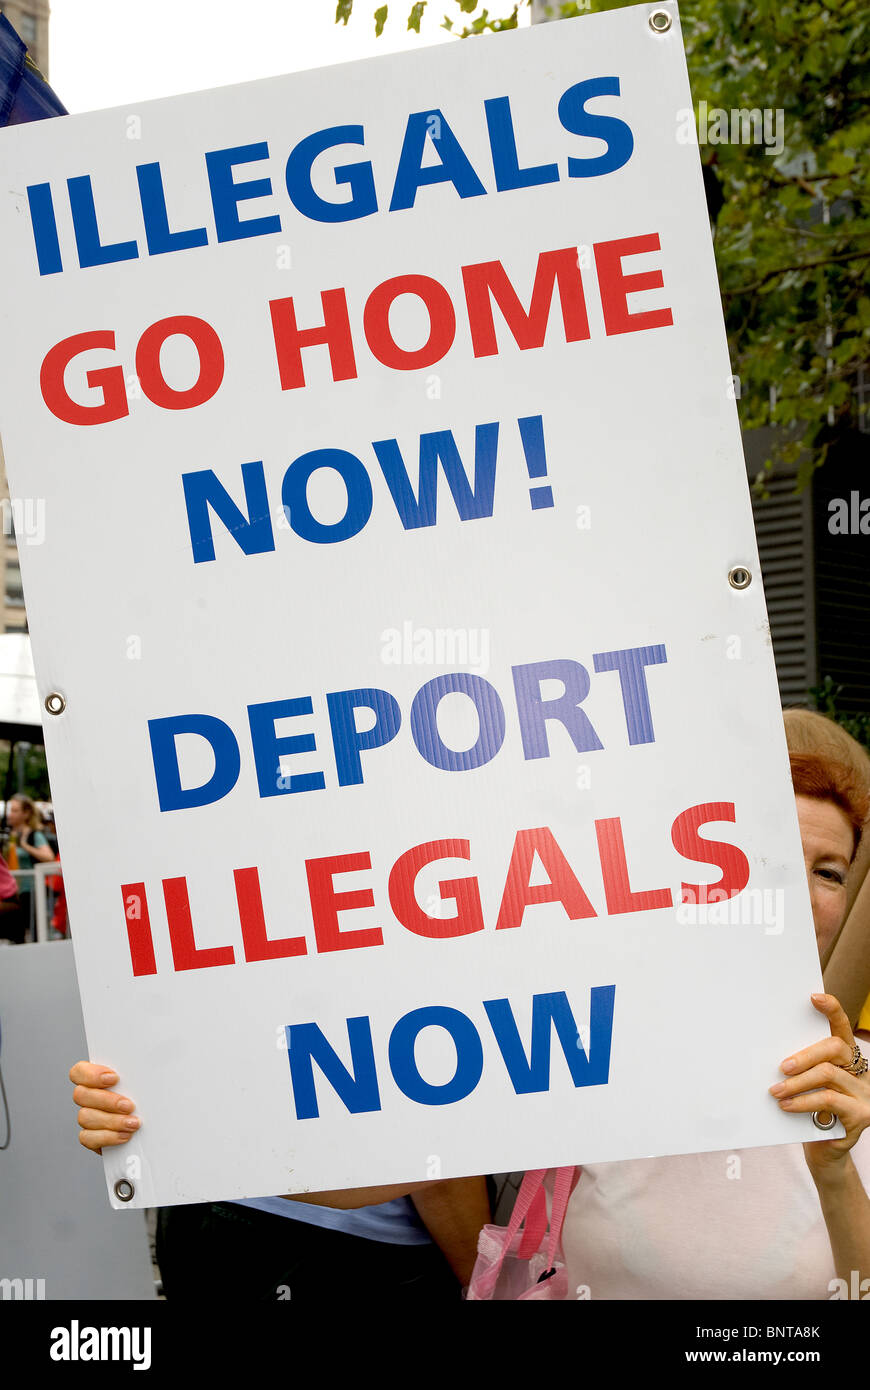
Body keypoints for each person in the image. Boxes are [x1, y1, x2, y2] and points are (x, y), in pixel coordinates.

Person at [70, 750, 870, 1300]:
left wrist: (836, 1173)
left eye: (828, 870)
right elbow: (381, 1167)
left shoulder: (855, 1091)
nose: (795, 890)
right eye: (760, 854)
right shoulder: (601, 1029)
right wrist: (163, 1121)